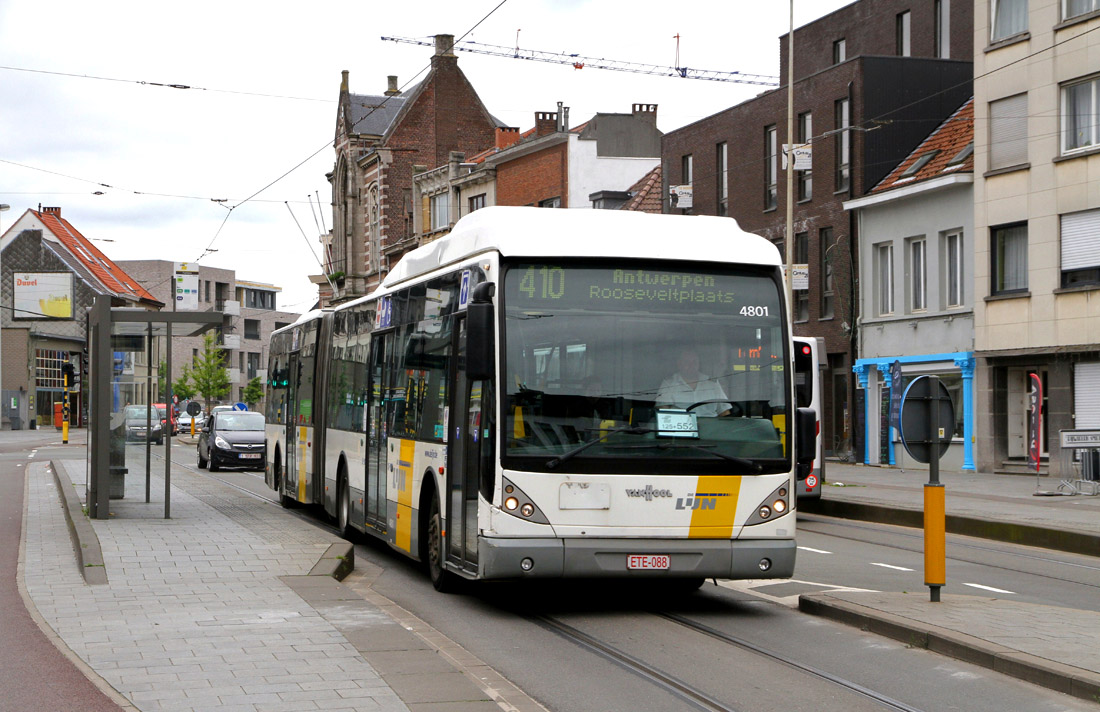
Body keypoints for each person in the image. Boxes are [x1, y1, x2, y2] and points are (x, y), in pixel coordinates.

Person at [657, 348, 731, 417]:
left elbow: (724, 411)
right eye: (687, 362)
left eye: (694, 362)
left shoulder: (712, 383)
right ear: (679, 364)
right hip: (681, 428)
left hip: (711, 428)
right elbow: (663, 411)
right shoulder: (669, 384)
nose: (691, 365)